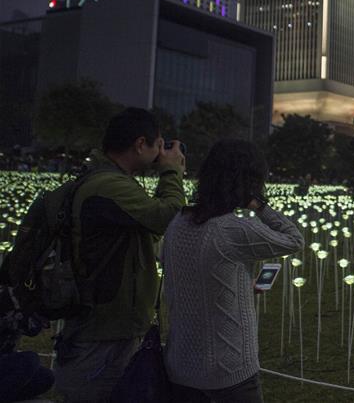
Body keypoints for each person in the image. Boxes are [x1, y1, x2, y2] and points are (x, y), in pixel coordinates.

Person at [54, 107, 186, 402]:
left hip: (109, 324)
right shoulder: (108, 185)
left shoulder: (111, 181)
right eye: (159, 145)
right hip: (102, 331)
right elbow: (170, 217)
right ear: (141, 144)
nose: (161, 153)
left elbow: (147, 230)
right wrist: (171, 171)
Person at [163, 139, 303, 402]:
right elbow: (294, 238)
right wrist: (259, 205)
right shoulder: (233, 230)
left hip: (180, 365)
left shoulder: (177, 224)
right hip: (229, 370)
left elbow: (191, 276)